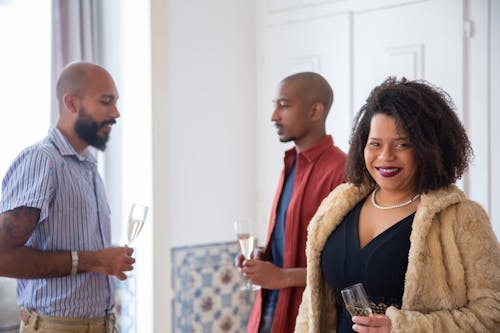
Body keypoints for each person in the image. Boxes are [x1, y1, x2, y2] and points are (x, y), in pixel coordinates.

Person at [294, 77, 500, 332]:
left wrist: (403, 327)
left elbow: (492, 314)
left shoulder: (462, 217)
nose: (385, 156)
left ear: (429, 148)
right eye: (375, 144)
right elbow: (311, 305)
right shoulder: (338, 204)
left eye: (402, 144)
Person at [0, 61, 134, 333]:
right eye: (106, 102)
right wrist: (94, 260)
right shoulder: (42, 161)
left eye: (116, 102)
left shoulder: (88, 166)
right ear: (71, 103)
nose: (116, 112)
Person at [237, 72, 347, 333]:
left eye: (284, 105)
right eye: (275, 105)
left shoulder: (341, 171)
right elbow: (289, 241)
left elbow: (345, 268)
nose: (274, 116)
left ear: (315, 110)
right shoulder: (291, 163)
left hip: (306, 318)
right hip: (269, 309)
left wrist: (282, 277)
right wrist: (261, 257)